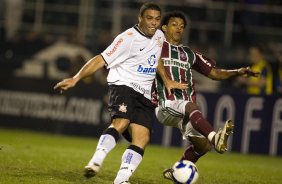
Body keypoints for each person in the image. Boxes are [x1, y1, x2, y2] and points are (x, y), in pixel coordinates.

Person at [54, 3, 186, 184]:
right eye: (149, 18)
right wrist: (76, 78)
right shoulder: (127, 38)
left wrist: (167, 80)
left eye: (157, 19)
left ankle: (121, 180)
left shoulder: (159, 36)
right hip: (123, 85)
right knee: (121, 122)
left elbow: (157, 60)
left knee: (142, 138)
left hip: (145, 94)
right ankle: (96, 160)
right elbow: (100, 59)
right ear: (140, 18)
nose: (153, 23)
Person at [151, 11, 260, 182]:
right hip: (166, 103)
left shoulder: (189, 54)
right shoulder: (155, 47)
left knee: (202, 146)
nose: (179, 28)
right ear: (164, 27)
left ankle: (176, 172)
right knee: (191, 107)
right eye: (174, 24)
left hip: (185, 111)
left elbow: (215, 73)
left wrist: (238, 72)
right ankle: (215, 137)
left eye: (182, 26)